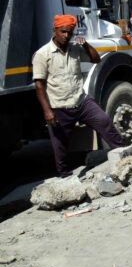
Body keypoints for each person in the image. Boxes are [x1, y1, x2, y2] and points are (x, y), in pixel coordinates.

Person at [32, 15, 126, 177]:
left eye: (70, 32)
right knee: (60, 145)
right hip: (59, 106)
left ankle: (126, 155)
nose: (66, 36)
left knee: (104, 122)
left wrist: (86, 44)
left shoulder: (75, 48)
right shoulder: (42, 54)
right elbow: (39, 85)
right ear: (54, 31)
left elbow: (96, 59)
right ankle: (64, 176)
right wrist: (47, 111)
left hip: (81, 101)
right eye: (63, 32)